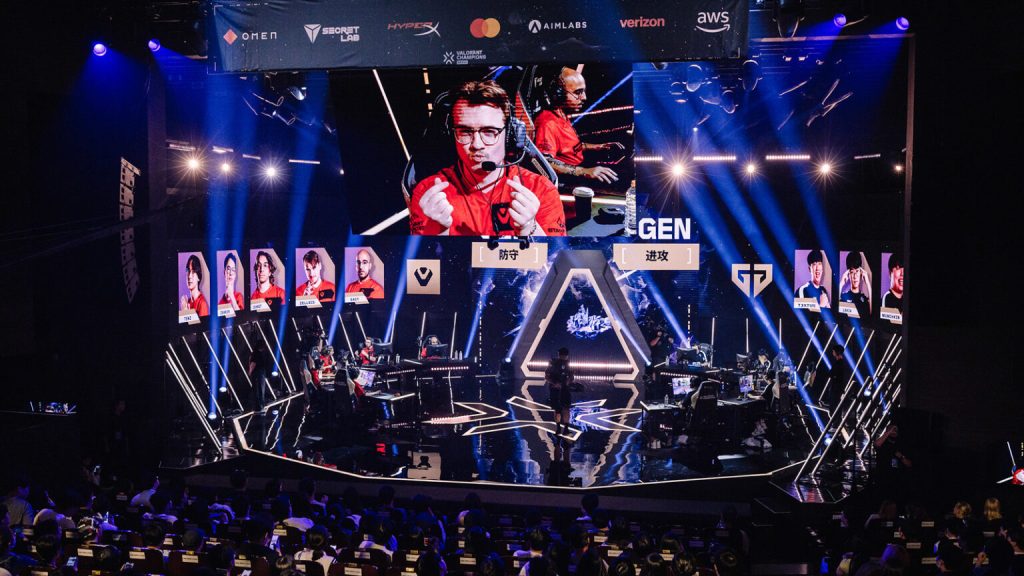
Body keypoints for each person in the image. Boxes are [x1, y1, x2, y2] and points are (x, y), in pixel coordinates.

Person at [409, 80, 566, 236]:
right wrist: (438, 232)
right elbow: (421, 253)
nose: (476, 145)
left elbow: (557, 252)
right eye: (465, 132)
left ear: (509, 135)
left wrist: (530, 228)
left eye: (489, 132)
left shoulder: (541, 190)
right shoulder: (429, 194)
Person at [534, 67, 623, 184]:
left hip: (578, 169)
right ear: (558, 94)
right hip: (568, 180)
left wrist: (599, 146)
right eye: (578, 92)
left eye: (583, 91)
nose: (584, 97)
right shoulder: (548, 123)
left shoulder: (561, 115)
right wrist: (584, 171)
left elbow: (571, 147)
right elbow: (545, 161)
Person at [545, 347, 574, 437]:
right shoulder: (553, 363)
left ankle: (564, 429)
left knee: (564, 409)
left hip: (564, 389)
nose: (564, 357)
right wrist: (555, 383)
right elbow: (547, 377)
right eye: (563, 355)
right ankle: (559, 429)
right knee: (559, 409)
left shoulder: (567, 364)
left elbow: (571, 377)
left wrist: (568, 382)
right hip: (555, 390)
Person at [839, 252, 871, 319]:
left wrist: (868, 283)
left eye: (857, 271)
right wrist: (841, 284)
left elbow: (871, 314)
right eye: (852, 272)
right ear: (848, 274)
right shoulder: (844, 296)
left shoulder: (864, 299)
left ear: (861, 273)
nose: (855, 276)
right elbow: (836, 311)